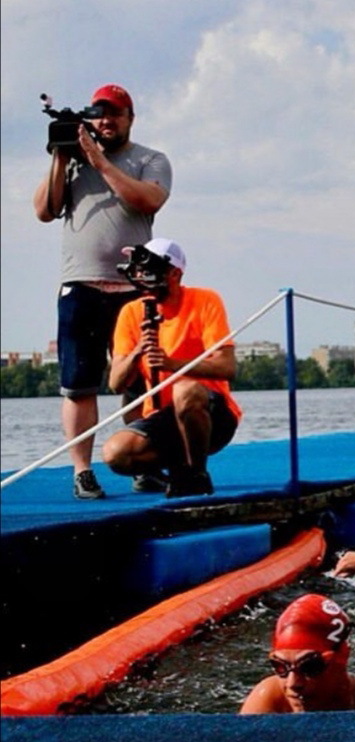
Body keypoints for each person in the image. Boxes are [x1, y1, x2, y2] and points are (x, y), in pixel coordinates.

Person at [33, 83, 173, 499]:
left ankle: (142, 463)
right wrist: (61, 158)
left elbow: (145, 201)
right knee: (78, 384)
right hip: (81, 284)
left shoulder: (150, 160)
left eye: (115, 114)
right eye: (98, 115)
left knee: (138, 379)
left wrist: (98, 159)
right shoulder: (73, 161)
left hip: (134, 286)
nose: (105, 122)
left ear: (130, 118)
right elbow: (44, 210)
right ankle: (82, 471)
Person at [102, 238, 241, 498]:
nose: (142, 277)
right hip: (161, 415)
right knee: (116, 454)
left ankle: (196, 474)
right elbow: (115, 383)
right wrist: (137, 352)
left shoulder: (205, 300)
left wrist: (172, 365)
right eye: (139, 270)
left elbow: (227, 367)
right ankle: (178, 466)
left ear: (175, 273)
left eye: (150, 269)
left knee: (184, 391)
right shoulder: (131, 312)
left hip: (211, 413)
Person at [240, 594, 355, 713]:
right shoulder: (270, 701)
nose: (293, 683)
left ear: (340, 660)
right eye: (280, 666)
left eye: (310, 666)